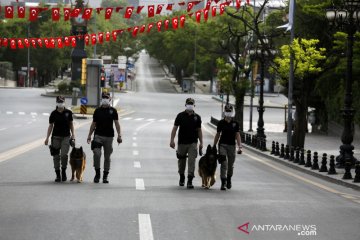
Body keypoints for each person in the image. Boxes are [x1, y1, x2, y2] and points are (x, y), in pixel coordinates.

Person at [87, 92, 122, 184]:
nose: (105, 99)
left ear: (110, 100)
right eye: (103, 98)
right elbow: (93, 123)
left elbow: (117, 123)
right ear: (101, 99)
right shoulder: (97, 111)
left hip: (109, 137)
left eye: (106, 98)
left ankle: (105, 176)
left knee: (107, 157)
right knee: (97, 154)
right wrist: (89, 135)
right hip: (98, 135)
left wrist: (119, 135)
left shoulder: (113, 111)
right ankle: (97, 174)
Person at [170, 98, 203, 189]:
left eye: (191, 104)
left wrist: (201, 143)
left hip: (193, 143)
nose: (190, 105)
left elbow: (199, 131)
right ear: (185, 105)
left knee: (192, 161)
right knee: (181, 161)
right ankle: (182, 176)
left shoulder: (197, 117)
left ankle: (189, 180)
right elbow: (175, 128)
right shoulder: (180, 116)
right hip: (182, 142)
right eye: (188, 103)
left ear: (194, 105)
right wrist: (172, 140)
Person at [44, 96, 75, 182]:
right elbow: (50, 125)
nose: (60, 103)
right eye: (59, 101)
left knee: (64, 155)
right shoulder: (53, 113)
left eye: (62, 101)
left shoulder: (68, 113)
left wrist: (73, 135)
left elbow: (71, 124)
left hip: (66, 137)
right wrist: (47, 138)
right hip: (56, 137)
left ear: (64, 102)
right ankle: (58, 174)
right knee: (56, 156)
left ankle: (64, 171)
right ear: (56, 102)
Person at [213, 104, 242, 190]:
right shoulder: (221, 123)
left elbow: (237, 135)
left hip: (232, 146)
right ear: (224, 112)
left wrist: (240, 147)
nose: (228, 113)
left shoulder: (235, 124)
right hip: (222, 145)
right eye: (227, 111)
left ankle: (229, 178)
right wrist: (214, 145)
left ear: (232, 112)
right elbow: (217, 135)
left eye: (230, 111)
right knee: (224, 163)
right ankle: (223, 182)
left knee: (230, 165)